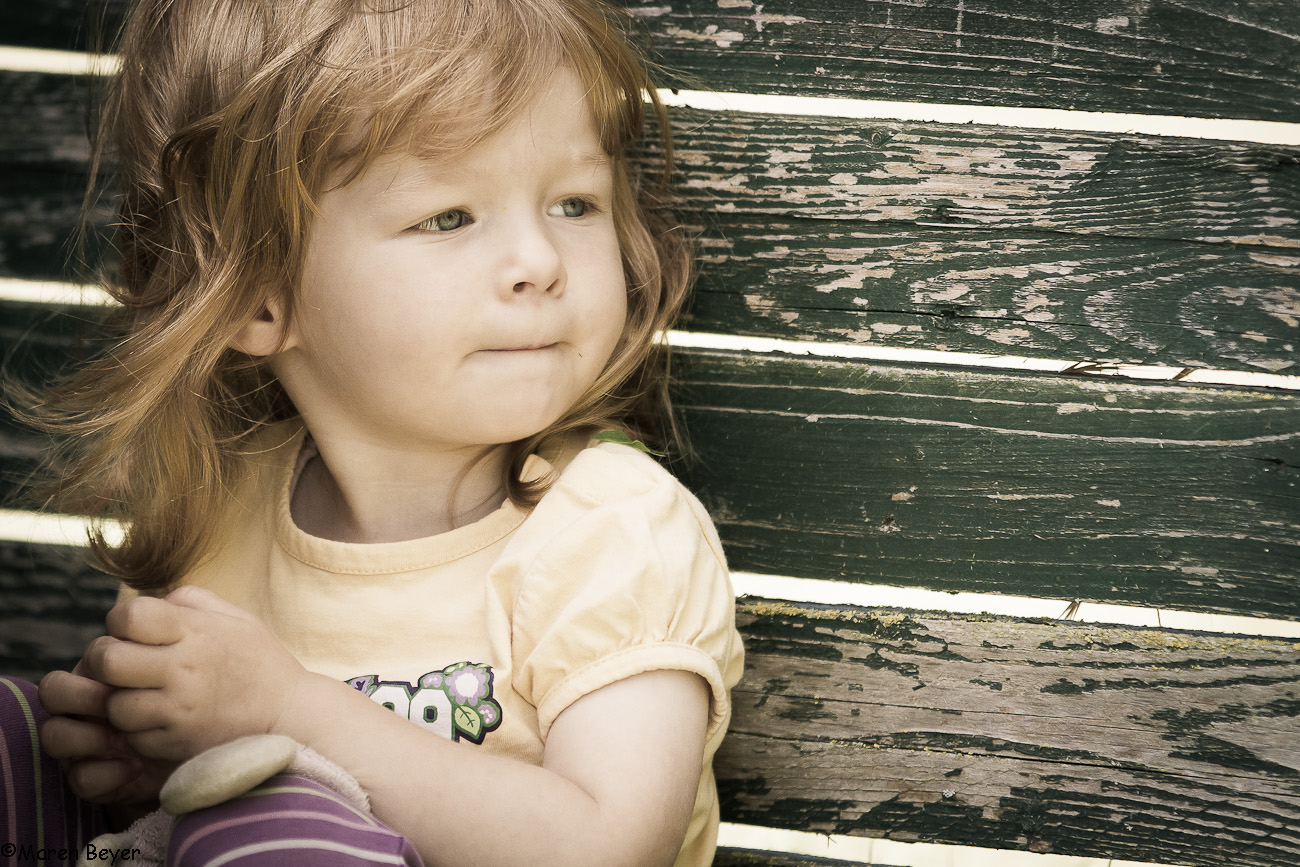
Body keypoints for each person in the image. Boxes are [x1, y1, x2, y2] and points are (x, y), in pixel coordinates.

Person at [4, 0, 744, 865]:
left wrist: (287, 713)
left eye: (575, 203)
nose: (541, 263)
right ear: (257, 295)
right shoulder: (226, 509)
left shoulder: (611, 532)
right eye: (449, 217)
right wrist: (158, 756)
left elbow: (609, 846)